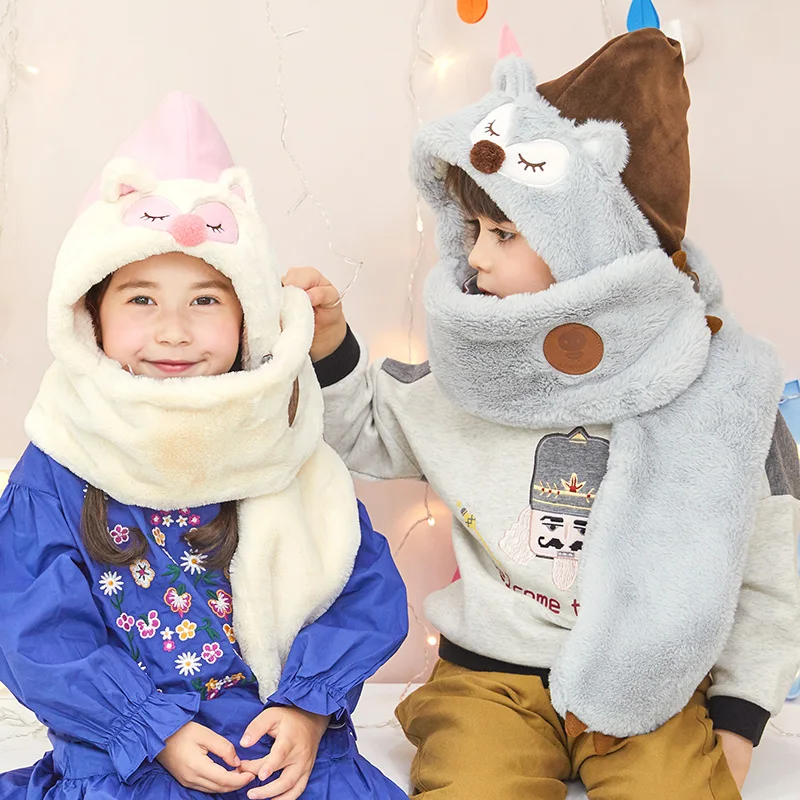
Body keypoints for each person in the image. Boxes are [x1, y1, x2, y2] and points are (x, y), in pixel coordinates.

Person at [286, 29, 800, 799]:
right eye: (473, 231)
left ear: (595, 247)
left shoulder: (723, 392)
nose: (477, 257)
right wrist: (330, 346)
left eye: (505, 233)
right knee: (472, 785)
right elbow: (363, 429)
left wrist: (739, 716)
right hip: (488, 680)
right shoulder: (470, 378)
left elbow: (769, 568)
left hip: (648, 691)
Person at [0, 92, 408, 800]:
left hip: (283, 751)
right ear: (91, 313)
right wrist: (147, 728)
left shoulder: (279, 443)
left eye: (206, 299)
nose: (174, 330)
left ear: (249, 314)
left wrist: (308, 708)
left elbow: (360, 580)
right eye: (141, 299)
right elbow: (35, 623)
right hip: (130, 758)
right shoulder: (63, 458)